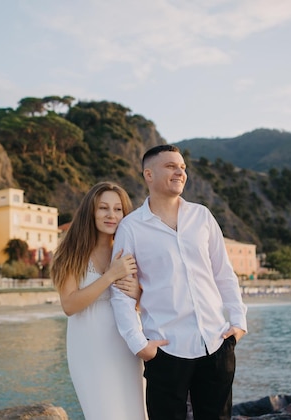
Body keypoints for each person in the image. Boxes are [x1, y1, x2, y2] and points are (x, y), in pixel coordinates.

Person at [110, 144, 248, 420]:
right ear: (148, 174)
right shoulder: (131, 227)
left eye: (183, 167)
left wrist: (238, 322)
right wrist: (139, 344)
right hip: (166, 350)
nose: (180, 172)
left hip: (216, 343)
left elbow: (224, 273)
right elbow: (122, 292)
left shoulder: (202, 216)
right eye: (171, 166)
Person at [50, 181, 147, 420]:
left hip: (128, 343)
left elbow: (146, 302)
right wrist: (111, 275)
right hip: (89, 347)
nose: (111, 215)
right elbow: (69, 305)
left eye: (118, 209)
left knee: (138, 412)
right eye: (103, 208)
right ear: (90, 211)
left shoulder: (128, 250)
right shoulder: (70, 253)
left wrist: (138, 293)